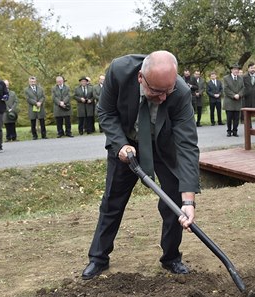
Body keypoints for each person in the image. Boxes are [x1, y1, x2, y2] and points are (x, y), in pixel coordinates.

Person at [82, 50, 200, 280]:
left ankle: (171, 258)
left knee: (173, 202)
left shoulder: (181, 92)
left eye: (168, 91)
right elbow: (105, 112)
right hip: (127, 144)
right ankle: (98, 257)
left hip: (163, 147)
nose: (164, 98)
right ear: (140, 78)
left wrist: (188, 200)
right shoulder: (119, 71)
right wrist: (121, 145)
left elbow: (187, 145)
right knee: (112, 201)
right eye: (156, 92)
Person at [222, 64, 244, 137]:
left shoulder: (241, 78)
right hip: (229, 101)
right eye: (234, 69)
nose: (236, 71)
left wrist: (239, 95)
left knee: (236, 118)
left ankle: (235, 131)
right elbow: (226, 89)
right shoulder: (226, 78)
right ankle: (229, 131)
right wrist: (233, 95)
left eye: (237, 69)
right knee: (229, 118)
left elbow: (243, 88)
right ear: (231, 70)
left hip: (238, 101)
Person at [25, 76, 47, 140]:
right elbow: (28, 99)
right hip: (32, 107)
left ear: (36, 81)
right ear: (29, 82)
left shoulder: (40, 88)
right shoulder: (26, 90)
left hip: (40, 106)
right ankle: (34, 135)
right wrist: (35, 103)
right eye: (31, 81)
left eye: (34, 81)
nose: (33, 83)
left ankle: (44, 135)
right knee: (33, 122)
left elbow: (43, 97)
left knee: (42, 121)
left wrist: (40, 102)